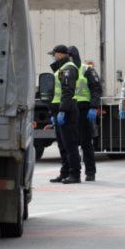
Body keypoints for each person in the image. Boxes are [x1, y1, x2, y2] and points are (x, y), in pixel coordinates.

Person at [47, 44, 81, 184]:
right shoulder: (62, 69)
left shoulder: (68, 69)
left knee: (70, 144)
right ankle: (65, 172)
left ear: (60, 54)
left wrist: (62, 111)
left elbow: (67, 91)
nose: (53, 57)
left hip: (67, 111)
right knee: (62, 144)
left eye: (54, 54)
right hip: (59, 110)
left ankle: (75, 174)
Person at [68, 46, 102, 182]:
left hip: (84, 110)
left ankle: (90, 172)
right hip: (70, 110)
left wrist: (93, 107)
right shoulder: (64, 71)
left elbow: (96, 89)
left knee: (86, 142)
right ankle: (71, 172)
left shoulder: (87, 69)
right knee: (70, 144)